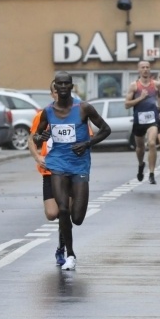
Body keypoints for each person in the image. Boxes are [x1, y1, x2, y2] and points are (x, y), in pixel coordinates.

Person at [32, 72, 111, 271]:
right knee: (62, 210)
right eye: (60, 84)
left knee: (77, 218)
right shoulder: (47, 112)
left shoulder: (84, 108)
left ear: (72, 86)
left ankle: (66, 245)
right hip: (57, 164)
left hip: (79, 165)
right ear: (55, 88)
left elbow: (105, 129)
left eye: (67, 84)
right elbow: (36, 138)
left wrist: (87, 143)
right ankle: (70, 254)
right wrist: (43, 135)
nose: (64, 87)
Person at [28, 83, 70, 266]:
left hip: (70, 170)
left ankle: (63, 248)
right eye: (56, 91)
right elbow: (32, 139)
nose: (59, 94)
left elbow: (87, 137)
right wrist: (37, 156)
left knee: (65, 211)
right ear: (52, 94)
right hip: (49, 171)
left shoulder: (75, 114)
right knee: (52, 213)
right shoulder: (43, 115)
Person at [125, 60, 160, 184]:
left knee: (152, 143)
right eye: (143, 67)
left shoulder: (156, 84)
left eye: (147, 67)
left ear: (150, 69)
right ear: (139, 70)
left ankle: (151, 173)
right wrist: (140, 98)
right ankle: (141, 165)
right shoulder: (134, 86)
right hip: (139, 120)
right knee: (140, 148)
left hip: (152, 118)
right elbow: (126, 104)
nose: (145, 69)